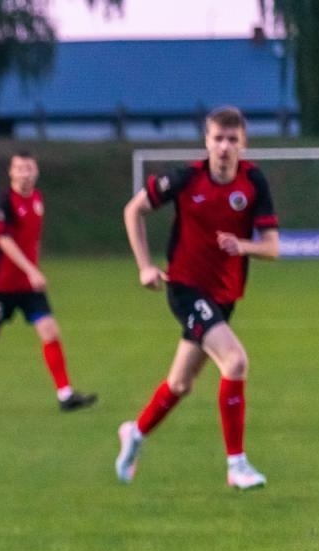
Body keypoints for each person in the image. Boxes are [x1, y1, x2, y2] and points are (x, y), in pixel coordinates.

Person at [114, 106, 280, 490]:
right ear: (206, 141)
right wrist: (144, 265)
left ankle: (134, 434)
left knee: (180, 384)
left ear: (244, 144)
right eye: (217, 139)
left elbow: (272, 248)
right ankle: (236, 465)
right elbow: (133, 210)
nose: (224, 147)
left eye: (232, 140)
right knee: (235, 362)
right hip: (186, 288)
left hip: (224, 295)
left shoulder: (254, 183)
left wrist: (242, 245)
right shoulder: (186, 178)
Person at [0, 150, 95, 413]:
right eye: (20, 168)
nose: (25, 173)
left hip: (28, 287)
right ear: (11, 172)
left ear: (36, 172)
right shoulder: (4, 202)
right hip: (2, 285)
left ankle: (66, 395)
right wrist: (31, 270)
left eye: (29, 168)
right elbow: (4, 240)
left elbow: (32, 239)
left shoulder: (36, 199)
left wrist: (34, 270)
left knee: (49, 330)